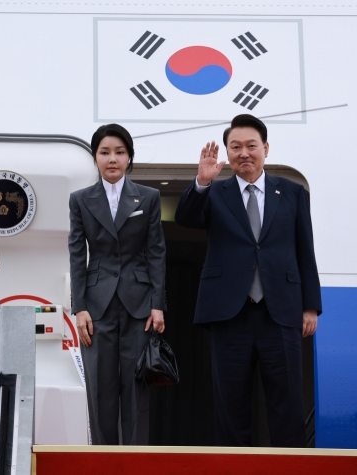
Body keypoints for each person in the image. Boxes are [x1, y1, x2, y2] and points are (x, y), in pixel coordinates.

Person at [175, 114, 322, 448]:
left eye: (251, 146)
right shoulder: (215, 192)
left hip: (280, 311)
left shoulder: (294, 193)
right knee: (231, 405)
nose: (244, 153)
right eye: (235, 147)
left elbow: (305, 250)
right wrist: (201, 182)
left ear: (265, 149)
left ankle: (292, 471)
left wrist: (310, 306)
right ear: (227, 152)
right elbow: (185, 219)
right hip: (230, 313)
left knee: (286, 403)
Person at [68, 123, 166, 445]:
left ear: (129, 157)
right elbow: (76, 252)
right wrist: (79, 307)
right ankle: (102, 461)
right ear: (95, 158)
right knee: (100, 388)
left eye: (119, 152)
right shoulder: (80, 200)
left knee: (136, 388)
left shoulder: (148, 198)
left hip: (139, 303)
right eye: (105, 152)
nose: (112, 159)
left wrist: (157, 304)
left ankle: (137, 462)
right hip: (96, 307)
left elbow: (156, 253)